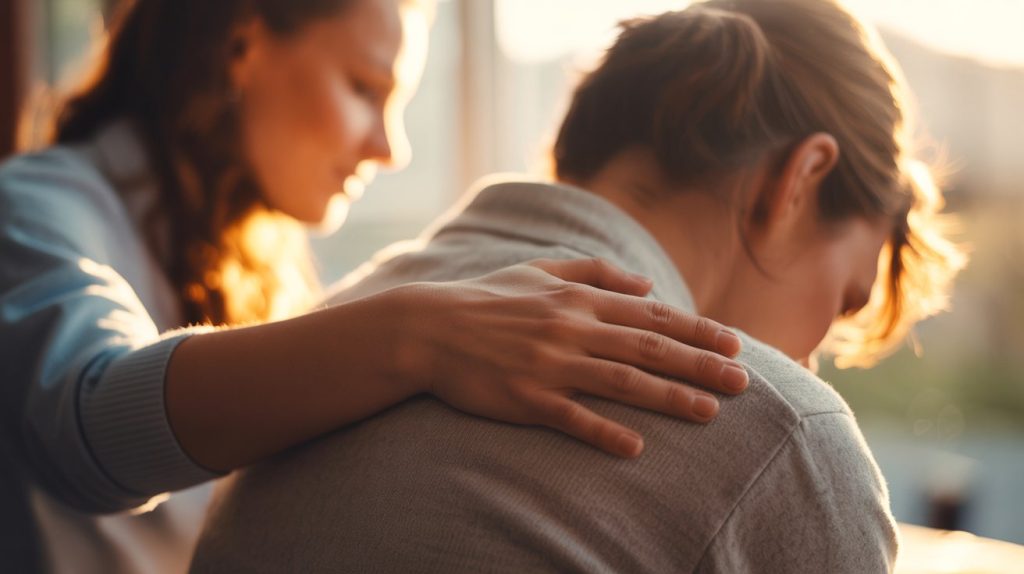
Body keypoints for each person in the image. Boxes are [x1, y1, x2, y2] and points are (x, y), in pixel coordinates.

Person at [190, 0, 967, 572]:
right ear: (798, 182)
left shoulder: (330, 334)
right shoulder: (780, 430)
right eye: (844, 300)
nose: (809, 360)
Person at [0, 0, 753, 571]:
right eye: (365, 88)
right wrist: (423, 334)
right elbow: (91, 425)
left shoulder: (261, 268)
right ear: (242, 44)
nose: (389, 148)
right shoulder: (29, 210)